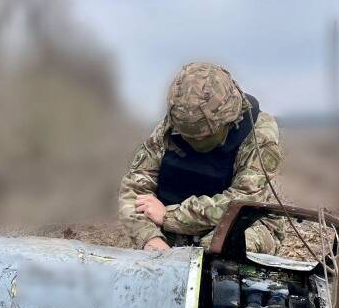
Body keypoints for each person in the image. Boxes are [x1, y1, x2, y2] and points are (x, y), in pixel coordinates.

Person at [118, 62, 286, 253]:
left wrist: (169, 216)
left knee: (215, 256)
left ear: (229, 121)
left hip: (243, 225)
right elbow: (135, 187)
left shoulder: (259, 135)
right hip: (175, 227)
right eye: (187, 136)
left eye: (204, 136)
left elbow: (244, 201)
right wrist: (150, 238)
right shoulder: (172, 126)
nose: (195, 142)